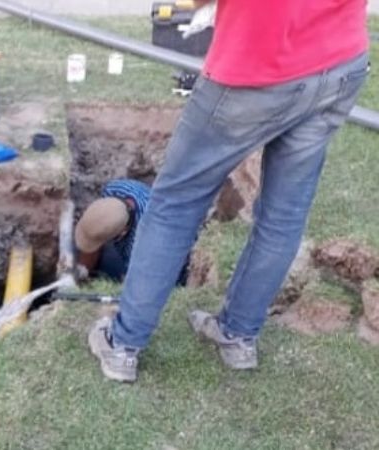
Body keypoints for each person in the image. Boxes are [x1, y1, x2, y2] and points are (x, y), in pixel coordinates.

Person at [89, 0, 370, 383]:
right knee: (284, 216)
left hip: (256, 67)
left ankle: (123, 345)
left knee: (174, 206)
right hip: (340, 63)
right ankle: (238, 336)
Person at [75, 179, 190, 285]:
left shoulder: (144, 243)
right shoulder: (114, 189)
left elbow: (143, 286)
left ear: (122, 233)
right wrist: (81, 272)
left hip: (169, 270)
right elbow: (98, 224)